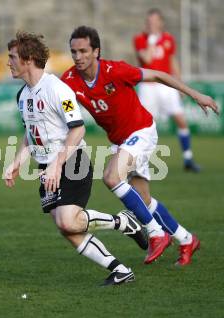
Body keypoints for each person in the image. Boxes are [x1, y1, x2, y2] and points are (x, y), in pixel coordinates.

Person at [61, 26, 218, 266]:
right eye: (74, 52)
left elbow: (157, 75)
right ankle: (187, 239)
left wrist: (195, 94)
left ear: (96, 51)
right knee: (144, 200)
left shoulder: (116, 70)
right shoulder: (70, 80)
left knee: (112, 177)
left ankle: (156, 234)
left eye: (83, 51)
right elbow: (57, 102)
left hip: (142, 131)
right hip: (120, 141)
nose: (78, 56)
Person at [4, 31, 147, 286]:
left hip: (72, 162)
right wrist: (17, 161)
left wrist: (57, 164)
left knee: (68, 220)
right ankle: (120, 270)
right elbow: (30, 133)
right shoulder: (22, 96)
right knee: (67, 229)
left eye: (12, 57)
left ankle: (122, 221)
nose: (9, 62)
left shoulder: (58, 89)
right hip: (47, 167)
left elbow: (78, 128)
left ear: (28, 59)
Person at [134, 8, 200, 172]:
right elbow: (147, 59)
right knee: (145, 125)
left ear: (161, 22)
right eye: (149, 22)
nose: (151, 24)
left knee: (181, 120)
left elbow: (172, 62)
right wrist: (151, 41)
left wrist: (180, 85)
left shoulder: (168, 39)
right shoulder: (140, 39)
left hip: (166, 85)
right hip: (148, 86)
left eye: (155, 21)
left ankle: (188, 158)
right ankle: (140, 161)